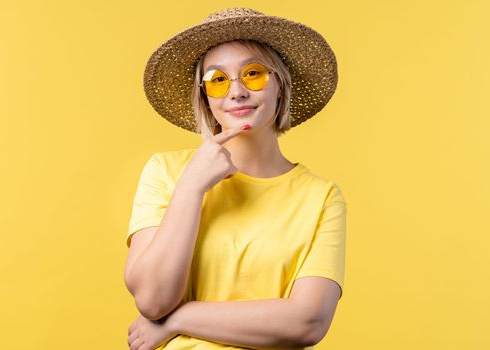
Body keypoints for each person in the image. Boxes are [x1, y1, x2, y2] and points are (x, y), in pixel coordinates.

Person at [124, 7, 347, 350]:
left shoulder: (321, 196)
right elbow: (153, 300)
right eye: (218, 79)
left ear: (280, 86)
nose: (237, 91)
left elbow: (308, 321)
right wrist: (192, 186)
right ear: (205, 97)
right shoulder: (166, 172)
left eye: (253, 74)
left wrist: (178, 319)